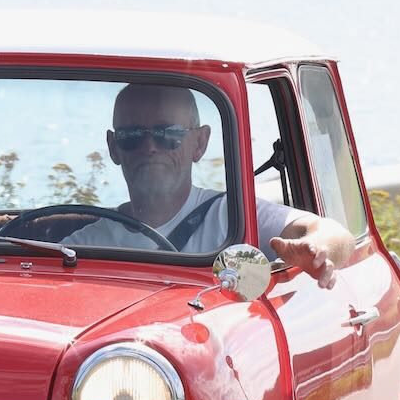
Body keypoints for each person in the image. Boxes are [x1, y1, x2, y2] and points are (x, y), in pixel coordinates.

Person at [68, 83, 355, 288]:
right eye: (131, 135)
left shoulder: (233, 217)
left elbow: (336, 234)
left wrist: (315, 252)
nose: (150, 147)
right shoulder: (84, 245)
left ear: (200, 143)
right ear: (113, 147)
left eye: (168, 134)